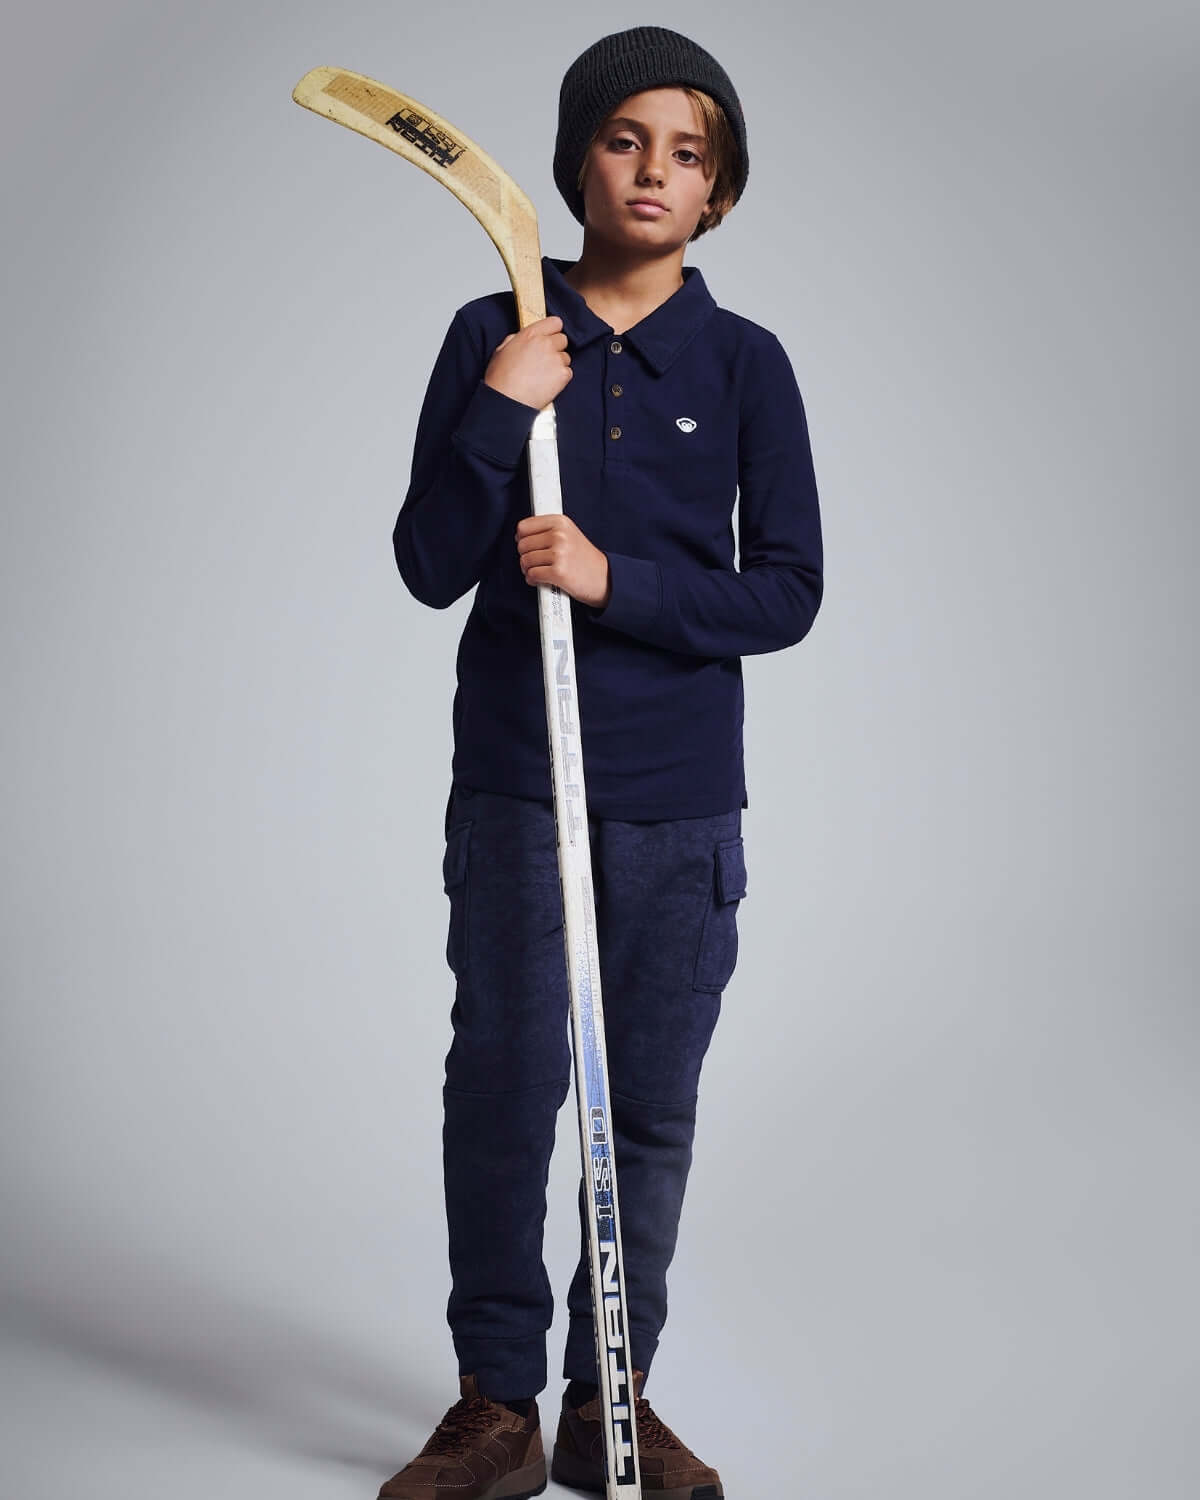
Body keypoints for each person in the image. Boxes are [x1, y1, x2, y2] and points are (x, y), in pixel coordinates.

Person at [380, 25, 823, 1500]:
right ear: (576, 158)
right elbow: (429, 564)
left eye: (689, 153)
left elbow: (788, 594)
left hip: (678, 803)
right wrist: (507, 401)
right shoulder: (489, 331)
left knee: (648, 1109)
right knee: (505, 1084)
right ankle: (494, 1404)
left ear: (721, 195)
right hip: (518, 781)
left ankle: (606, 1399)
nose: (655, 170)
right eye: (628, 138)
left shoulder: (746, 364)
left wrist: (610, 580)